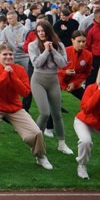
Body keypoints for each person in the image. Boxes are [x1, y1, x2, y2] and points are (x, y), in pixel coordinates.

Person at [0, 44, 52, 170]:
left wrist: (12, 76)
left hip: (15, 108)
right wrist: (4, 75)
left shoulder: (19, 70)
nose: (8, 57)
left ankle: (40, 156)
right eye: (5, 54)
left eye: (10, 54)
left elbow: (25, 92)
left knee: (36, 132)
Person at [28, 21, 73, 155]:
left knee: (57, 114)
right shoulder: (33, 45)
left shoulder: (59, 45)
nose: (41, 33)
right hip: (38, 80)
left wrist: (52, 49)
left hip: (53, 80)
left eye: (43, 31)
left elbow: (63, 64)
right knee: (45, 113)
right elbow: (36, 63)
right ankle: (36, 142)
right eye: (39, 31)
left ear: (49, 31)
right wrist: (46, 51)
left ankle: (62, 143)